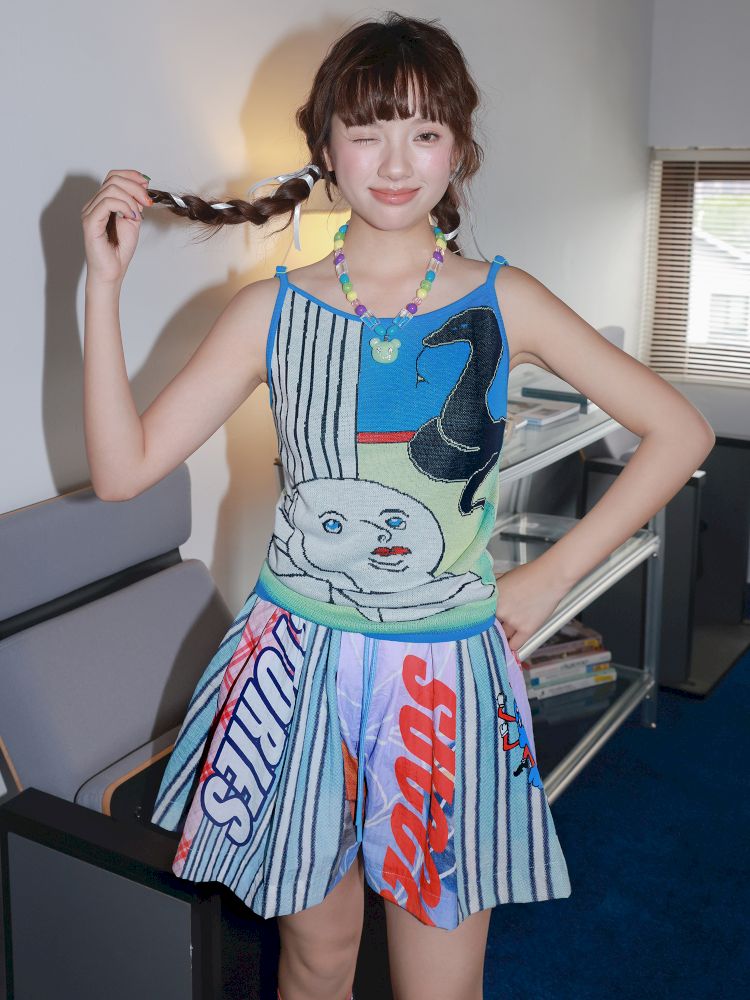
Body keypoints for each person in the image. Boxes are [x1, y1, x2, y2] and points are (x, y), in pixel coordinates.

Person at [79, 11, 715, 1000]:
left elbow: (681, 432)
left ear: (458, 149)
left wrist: (547, 576)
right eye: (367, 130)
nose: (394, 161)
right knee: (315, 960)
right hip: (296, 670)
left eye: (424, 131)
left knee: (439, 986)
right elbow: (123, 472)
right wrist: (103, 289)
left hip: (443, 679)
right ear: (327, 148)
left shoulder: (504, 300)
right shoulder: (269, 310)